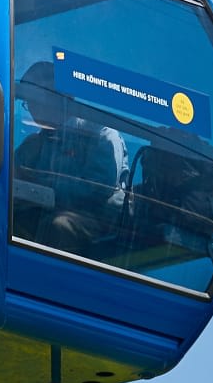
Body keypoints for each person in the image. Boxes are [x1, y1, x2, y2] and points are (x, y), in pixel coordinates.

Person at [12, 60, 131, 255]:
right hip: (44, 214)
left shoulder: (100, 134)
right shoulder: (33, 145)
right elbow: (9, 182)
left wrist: (41, 188)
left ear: (62, 97)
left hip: (97, 219)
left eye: (36, 100)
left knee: (59, 226)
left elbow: (99, 189)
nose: (32, 109)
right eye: (29, 103)